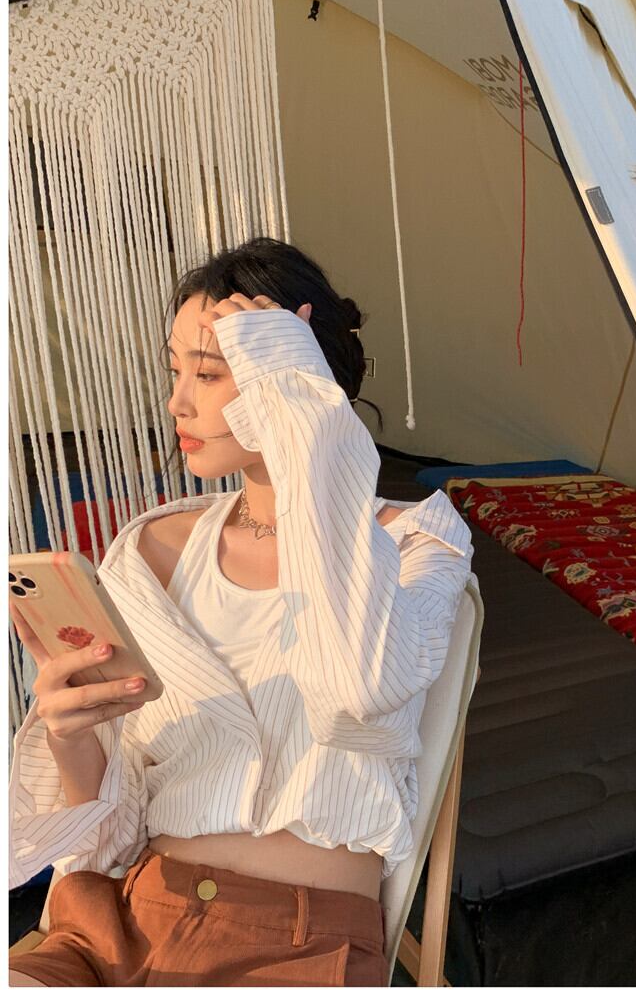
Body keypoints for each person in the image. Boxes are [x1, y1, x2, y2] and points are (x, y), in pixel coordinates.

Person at [8, 236, 474, 987]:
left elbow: (361, 692)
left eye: (210, 373)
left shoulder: (418, 543)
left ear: (296, 376)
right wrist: (70, 734)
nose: (177, 403)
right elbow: (109, 832)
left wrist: (299, 406)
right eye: (175, 371)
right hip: (122, 924)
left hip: (302, 947)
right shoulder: (151, 551)